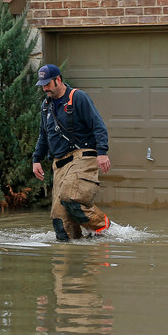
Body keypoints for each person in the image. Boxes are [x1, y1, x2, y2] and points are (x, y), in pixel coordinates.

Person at [31, 64, 113, 240]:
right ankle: (73, 256)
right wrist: (36, 159)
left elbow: (98, 125)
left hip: (82, 157)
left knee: (71, 198)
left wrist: (102, 152)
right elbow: (43, 136)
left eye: (47, 84)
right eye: (42, 85)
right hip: (59, 165)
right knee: (60, 222)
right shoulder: (45, 106)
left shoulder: (78, 97)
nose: (45, 88)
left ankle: (108, 229)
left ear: (58, 80)